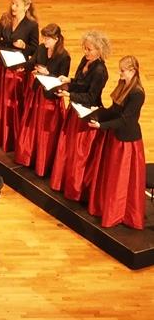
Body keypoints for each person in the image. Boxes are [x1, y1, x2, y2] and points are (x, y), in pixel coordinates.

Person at [85, 55, 145, 229]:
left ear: (133, 71)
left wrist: (101, 125)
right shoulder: (123, 85)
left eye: (123, 70)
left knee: (121, 180)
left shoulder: (137, 94)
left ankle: (121, 213)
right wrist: (97, 112)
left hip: (127, 141)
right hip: (116, 136)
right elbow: (114, 110)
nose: (120, 74)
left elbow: (125, 120)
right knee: (111, 175)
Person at [50, 30, 110, 199]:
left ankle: (76, 189)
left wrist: (70, 95)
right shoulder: (86, 61)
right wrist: (69, 81)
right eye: (85, 48)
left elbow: (91, 96)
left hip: (86, 113)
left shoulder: (100, 71)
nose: (86, 52)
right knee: (67, 148)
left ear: (99, 50)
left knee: (79, 154)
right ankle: (63, 181)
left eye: (89, 49)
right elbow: (80, 82)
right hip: (76, 108)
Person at [0, 0, 40, 150]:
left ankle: (9, 137)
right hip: (2, 65)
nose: (13, 7)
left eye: (17, 5)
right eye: (12, 3)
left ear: (26, 7)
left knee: (10, 102)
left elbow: (34, 49)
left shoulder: (32, 25)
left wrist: (24, 46)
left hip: (17, 69)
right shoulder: (5, 18)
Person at [15, 24, 71, 175]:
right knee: (32, 126)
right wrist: (21, 66)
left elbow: (62, 80)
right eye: (44, 38)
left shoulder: (64, 56)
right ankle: (28, 156)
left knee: (46, 131)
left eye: (47, 38)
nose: (44, 41)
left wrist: (48, 72)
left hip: (50, 97)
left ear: (56, 39)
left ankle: (43, 162)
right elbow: (32, 62)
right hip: (38, 93)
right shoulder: (41, 48)